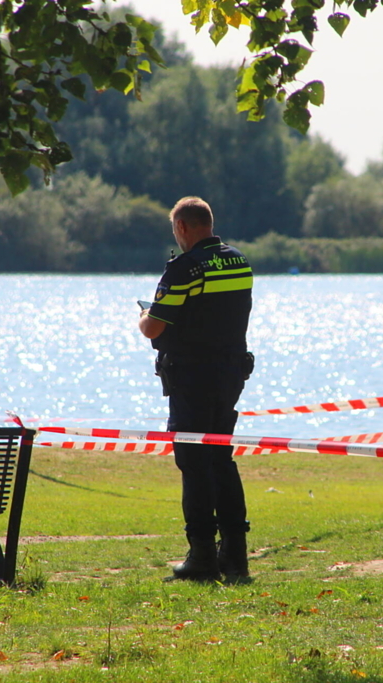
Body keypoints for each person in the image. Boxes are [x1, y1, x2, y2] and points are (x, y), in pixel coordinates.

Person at [138, 196, 255, 582]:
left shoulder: (184, 268)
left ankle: (201, 555)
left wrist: (143, 314)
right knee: (221, 459)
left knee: (193, 462)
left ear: (183, 228)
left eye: (175, 228)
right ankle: (235, 555)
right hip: (231, 374)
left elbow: (154, 327)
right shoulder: (238, 260)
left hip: (193, 377)